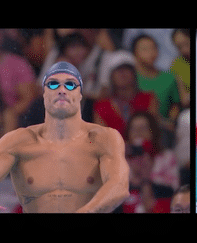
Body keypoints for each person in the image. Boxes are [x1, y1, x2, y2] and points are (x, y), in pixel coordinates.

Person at [0, 61, 130, 213]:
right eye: (53, 84)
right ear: (43, 94)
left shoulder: (103, 138)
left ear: (80, 94)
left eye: (70, 85)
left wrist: (86, 211)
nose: (62, 90)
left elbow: (119, 186)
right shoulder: (18, 141)